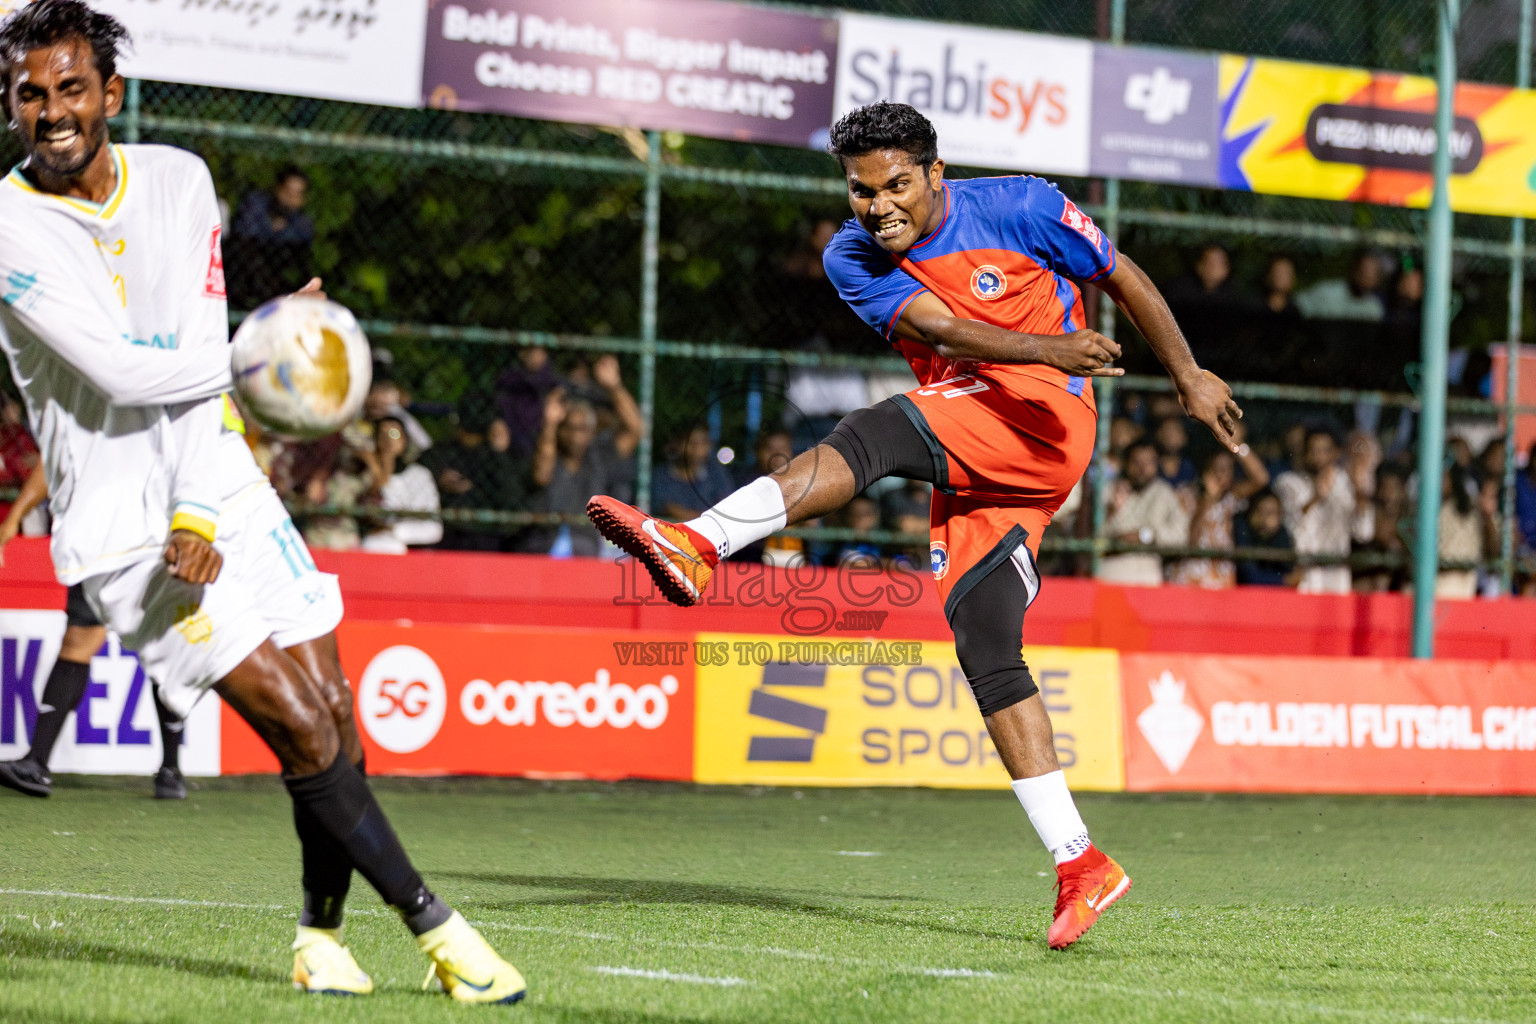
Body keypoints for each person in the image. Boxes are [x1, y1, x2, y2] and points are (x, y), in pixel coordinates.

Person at [586, 101, 1242, 950]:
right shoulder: (848, 255)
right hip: (985, 427)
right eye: (862, 190)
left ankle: (699, 541)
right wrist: (1042, 346)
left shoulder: (1025, 206)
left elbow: (1123, 273)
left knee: (876, 431)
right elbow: (939, 328)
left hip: (1045, 418)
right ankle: (1081, 863)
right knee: (985, 641)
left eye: (898, 184)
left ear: (936, 173)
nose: (880, 205)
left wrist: (1187, 375)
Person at [0, 2, 524, 1002]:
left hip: (220, 476)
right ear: (9, 106)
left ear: (111, 93)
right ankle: (443, 932)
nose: (53, 111)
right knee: (297, 725)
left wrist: (204, 503)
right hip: (120, 528)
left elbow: (196, 368)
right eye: (30, 94)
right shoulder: (9, 222)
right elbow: (118, 371)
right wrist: (260, 346)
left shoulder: (181, 181)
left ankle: (320, 939)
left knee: (337, 713)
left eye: (72, 88)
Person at [0, 464, 188, 798]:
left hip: (160, 533)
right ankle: (36, 763)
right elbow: (54, 456)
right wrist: (17, 514)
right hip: (100, 536)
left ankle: (171, 768)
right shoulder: (85, 413)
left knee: (160, 642)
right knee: (79, 638)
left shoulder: (178, 417)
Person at [524, 358, 640, 557]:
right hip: (544, 542)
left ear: (592, 432)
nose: (576, 436)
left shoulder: (599, 455)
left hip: (586, 544)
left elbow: (635, 430)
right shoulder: (548, 448)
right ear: (561, 429)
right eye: (570, 428)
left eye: (583, 429)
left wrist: (615, 388)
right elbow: (541, 475)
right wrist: (550, 424)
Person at [1273, 428, 1372, 594]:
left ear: (1335, 454)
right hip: (1304, 576)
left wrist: (1360, 493)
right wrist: (1317, 496)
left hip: (1337, 577)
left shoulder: (1344, 483)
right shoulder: (1287, 483)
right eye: (1313, 450)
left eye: (1325, 451)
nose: (1319, 456)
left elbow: (1363, 533)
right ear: (1304, 453)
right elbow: (1291, 527)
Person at [1172, 441, 1270, 589]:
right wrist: (1208, 499)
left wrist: (1237, 446)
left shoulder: (1230, 498)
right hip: (1192, 576)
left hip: (1222, 575)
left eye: (1227, 469)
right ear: (1205, 470)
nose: (1222, 475)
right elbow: (1191, 542)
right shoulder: (1186, 495)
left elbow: (1261, 479)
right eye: (1217, 469)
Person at [1098, 440, 1189, 586]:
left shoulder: (1164, 493)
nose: (1142, 468)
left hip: (1148, 579)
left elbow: (1181, 536)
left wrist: (1145, 536)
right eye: (1136, 462)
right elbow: (1090, 534)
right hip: (1111, 576)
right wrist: (1111, 512)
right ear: (1126, 463)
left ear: (1156, 464)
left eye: (1148, 462)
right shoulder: (1109, 490)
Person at [226, 165, 315, 309]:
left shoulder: (302, 223)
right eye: (287, 192)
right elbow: (245, 239)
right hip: (244, 276)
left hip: (277, 282)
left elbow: (298, 256)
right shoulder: (255, 204)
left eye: (297, 194)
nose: (291, 199)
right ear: (277, 188)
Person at [651, 423, 735, 522]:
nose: (697, 449)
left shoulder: (717, 474)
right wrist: (702, 518)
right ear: (677, 444)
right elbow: (667, 508)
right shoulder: (660, 475)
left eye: (703, 443)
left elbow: (725, 506)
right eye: (691, 442)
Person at [1233, 489, 1298, 587]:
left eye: (1271, 512)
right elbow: (1249, 576)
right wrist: (1283, 580)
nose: (1264, 518)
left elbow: (1290, 571)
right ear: (1251, 512)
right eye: (1260, 511)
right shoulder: (1241, 528)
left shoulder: (1281, 533)